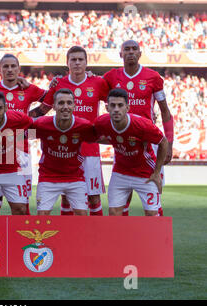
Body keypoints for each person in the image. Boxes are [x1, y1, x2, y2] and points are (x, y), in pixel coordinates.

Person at [103, 40, 174, 216]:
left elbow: (165, 112)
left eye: (134, 49)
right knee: (121, 201)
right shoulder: (111, 77)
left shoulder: (153, 77)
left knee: (153, 195)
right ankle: (124, 240)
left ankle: (157, 238)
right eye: (126, 49)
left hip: (149, 143)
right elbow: (95, 93)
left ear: (140, 53)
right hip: (123, 144)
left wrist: (170, 144)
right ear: (121, 54)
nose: (131, 52)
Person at [37, 46, 110, 216]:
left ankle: (94, 237)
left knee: (93, 197)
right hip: (65, 149)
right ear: (67, 63)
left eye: (80, 59)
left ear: (86, 63)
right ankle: (67, 237)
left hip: (90, 149)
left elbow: (114, 106)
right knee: (66, 196)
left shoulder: (98, 82)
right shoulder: (58, 83)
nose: (77, 63)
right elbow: (42, 111)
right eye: (73, 60)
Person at [0, 53, 47, 215]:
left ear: (19, 69)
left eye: (13, 66)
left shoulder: (29, 89)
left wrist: (31, 118)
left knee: (22, 202)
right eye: (5, 66)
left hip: (22, 150)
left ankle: (22, 237)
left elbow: (51, 100)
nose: (10, 69)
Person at [94, 88, 169, 216]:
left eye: (120, 105)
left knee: (152, 214)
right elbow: (95, 137)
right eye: (113, 105)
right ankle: (120, 237)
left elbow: (163, 142)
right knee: (113, 213)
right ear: (107, 108)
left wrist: (157, 173)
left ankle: (158, 235)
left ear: (127, 107)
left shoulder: (142, 125)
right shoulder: (101, 122)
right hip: (120, 172)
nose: (116, 109)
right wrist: (114, 140)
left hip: (145, 172)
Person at [32, 88, 97, 215]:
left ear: (74, 105)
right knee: (41, 218)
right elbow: (21, 135)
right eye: (61, 103)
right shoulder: (41, 125)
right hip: (48, 177)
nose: (65, 107)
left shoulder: (83, 126)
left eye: (69, 103)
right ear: (54, 106)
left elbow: (105, 138)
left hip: (75, 178)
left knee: (82, 217)